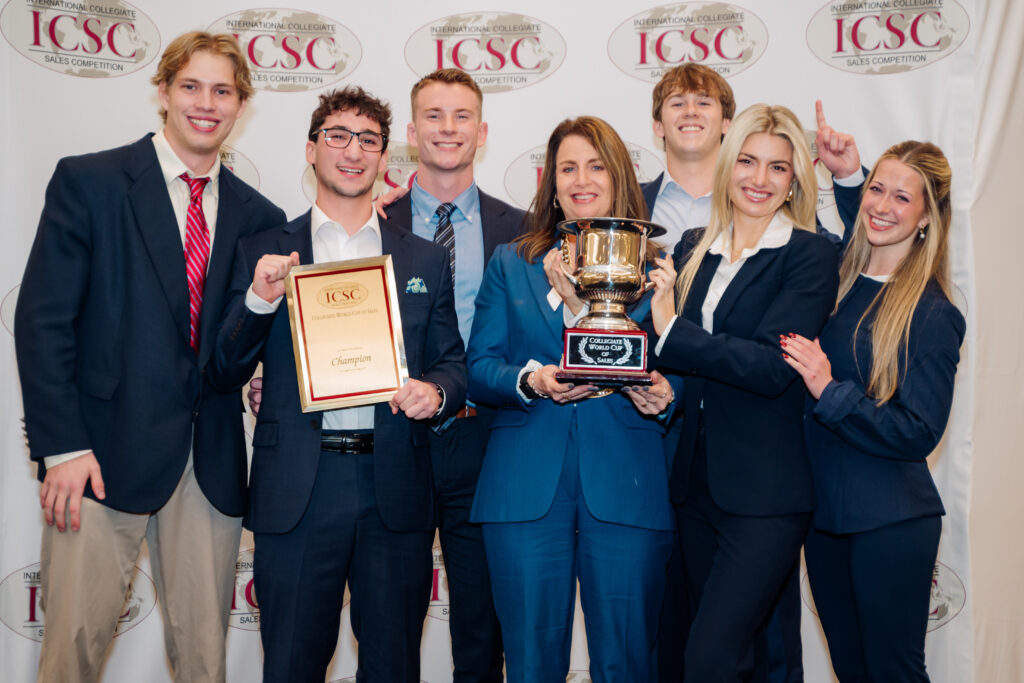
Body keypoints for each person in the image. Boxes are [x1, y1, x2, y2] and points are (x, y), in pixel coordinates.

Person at [13, 31, 284, 683]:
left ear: (241, 106)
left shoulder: (260, 215)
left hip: (211, 462)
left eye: (222, 91)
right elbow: (43, 318)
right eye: (190, 86)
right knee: (70, 653)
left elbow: (240, 334)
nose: (206, 103)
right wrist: (62, 446)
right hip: (99, 458)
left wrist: (267, 372)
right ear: (162, 92)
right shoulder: (91, 181)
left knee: (204, 662)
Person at [209, 86, 465, 683]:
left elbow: (453, 362)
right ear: (311, 149)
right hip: (299, 488)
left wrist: (436, 393)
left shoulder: (424, 260)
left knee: (393, 666)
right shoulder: (263, 251)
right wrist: (258, 300)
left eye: (369, 140)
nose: (353, 151)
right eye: (338, 136)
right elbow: (223, 371)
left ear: (384, 159)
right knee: (292, 664)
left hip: (393, 488)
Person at [644, 63, 864, 683]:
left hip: (765, 494)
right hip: (693, 485)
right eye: (748, 161)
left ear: (795, 177)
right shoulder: (692, 247)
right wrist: (663, 380)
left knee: (712, 658)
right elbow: (682, 362)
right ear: (727, 164)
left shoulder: (810, 254)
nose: (759, 179)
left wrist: (672, 331)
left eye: (777, 166)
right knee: (717, 657)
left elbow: (772, 367)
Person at [467, 115, 678, 683]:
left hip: (627, 482)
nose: (581, 179)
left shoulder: (656, 268)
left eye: (596, 166)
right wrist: (531, 381)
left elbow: (682, 366)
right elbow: (479, 367)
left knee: (627, 664)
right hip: (525, 486)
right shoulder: (512, 262)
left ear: (619, 178)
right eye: (567, 168)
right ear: (551, 182)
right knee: (531, 667)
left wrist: (667, 393)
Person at [781, 141, 965, 682]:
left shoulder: (933, 313)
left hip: (889, 521)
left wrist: (827, 387)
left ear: (928, 216)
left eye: (902, 197)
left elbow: (918, 432)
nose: (882, 205)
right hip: (825, 518)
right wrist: (847, 177)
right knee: (852, 671)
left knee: (892, 672)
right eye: (876, 190)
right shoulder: (835, 274)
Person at [387, 68, 524, 682]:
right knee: (390, 619)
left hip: (489, 439)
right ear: (413, 132)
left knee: (482, 622)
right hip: (397, 437)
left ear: (482, 131)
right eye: (434, 117)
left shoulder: (522, 231)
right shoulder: (372, 222)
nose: (448, 128)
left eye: (461, 116)